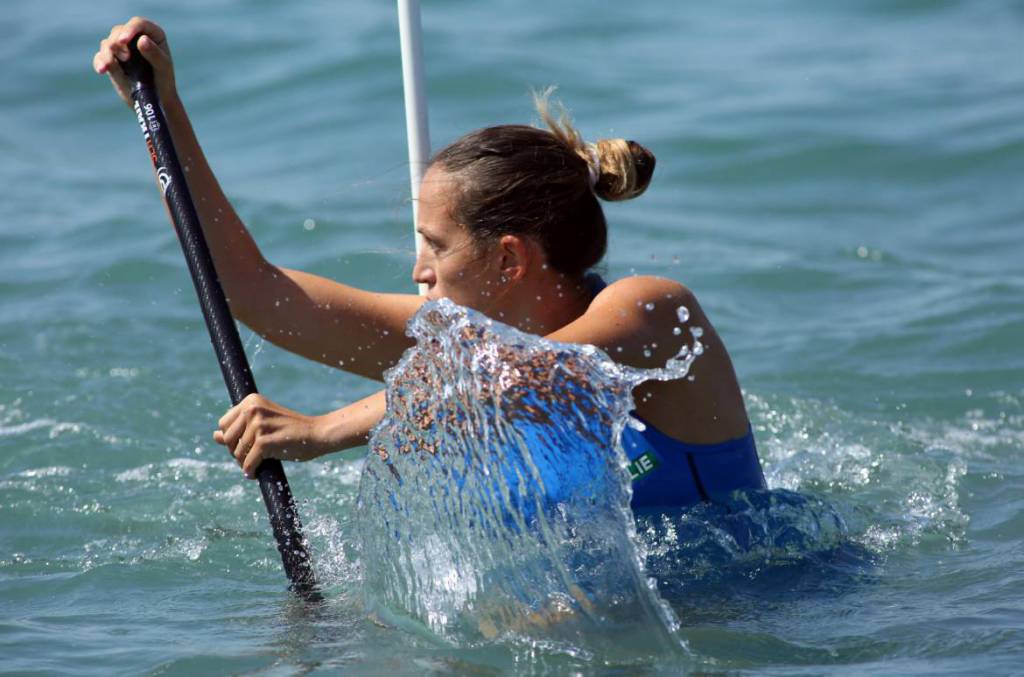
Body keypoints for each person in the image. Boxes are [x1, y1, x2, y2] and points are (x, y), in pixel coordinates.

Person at [94, 17, 766, 511]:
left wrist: (321, 428)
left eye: (436, 245)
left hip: (751, 614)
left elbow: (508, 380)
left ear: (508, 259)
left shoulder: (652, 311)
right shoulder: (456, 341)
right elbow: (253, 291)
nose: (419, 269)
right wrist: (159, 115)